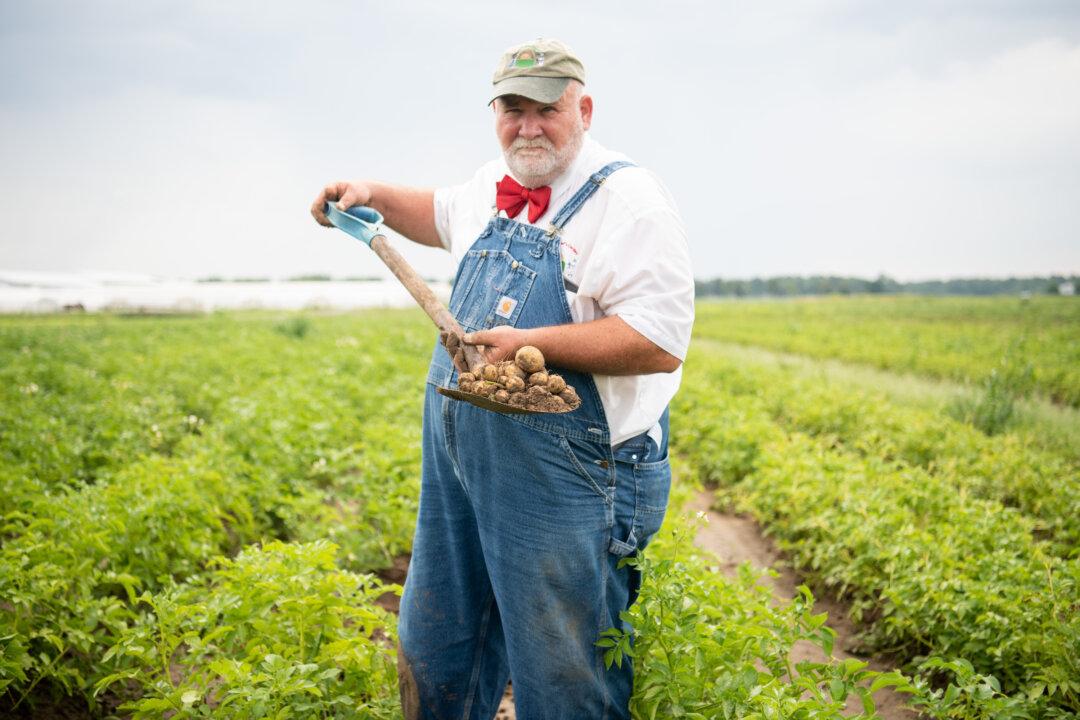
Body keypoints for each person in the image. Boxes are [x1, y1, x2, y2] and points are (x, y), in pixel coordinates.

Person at [311, 37, 694, 720]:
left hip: (573, 480)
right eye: (512, 109)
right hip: (465, 469)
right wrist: (371, 196)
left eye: (545, 110)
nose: (527, 126)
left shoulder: (629, 203)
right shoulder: (495, 183)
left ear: (584, 108)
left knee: (562, 673)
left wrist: (532, 342)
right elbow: (437, 211)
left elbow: (659, 340)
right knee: (437, 647)